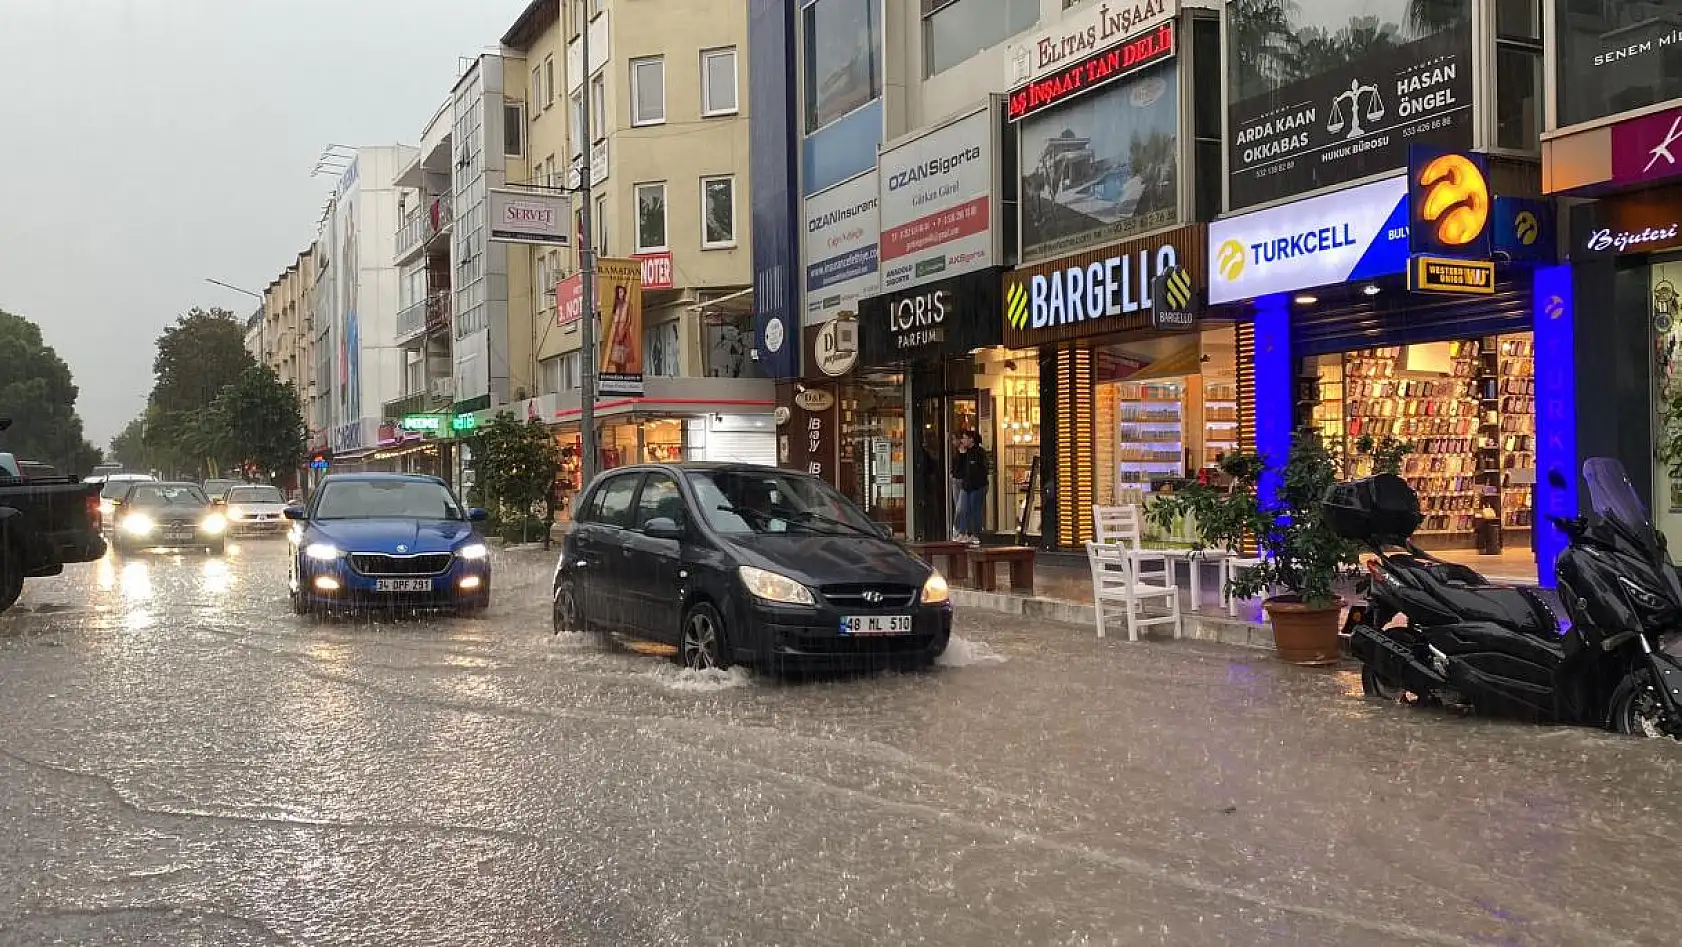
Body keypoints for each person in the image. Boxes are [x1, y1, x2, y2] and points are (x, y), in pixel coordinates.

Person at [951, 430, 989, 545]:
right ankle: (963, 533)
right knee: (963, 510)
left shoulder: (979, 452)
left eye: (964, 438)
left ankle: (975, 534)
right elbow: (958, 472)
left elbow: (982, 470)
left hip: (977, 486)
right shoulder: (963, 453)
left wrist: (977, 482)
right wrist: (961, 456)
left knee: (975, 510)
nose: (962, 441)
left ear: (971, 439)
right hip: (966, 486)